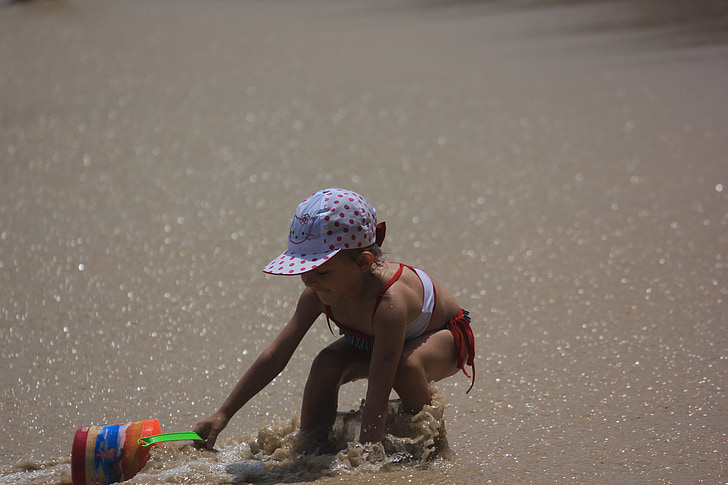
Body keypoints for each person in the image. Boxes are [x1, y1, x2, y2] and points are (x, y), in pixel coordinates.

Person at [193, 188, 475, 450]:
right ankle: (313, 445)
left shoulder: (390, 304)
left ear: (363, 263)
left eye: (321, 271)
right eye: (303, 268)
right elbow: (276, 356)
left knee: (405, 366)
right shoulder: (316, 292)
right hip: (379, 341)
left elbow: (377, 391)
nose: (308, 280)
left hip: (444, 338)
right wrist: (223, 414)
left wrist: (366, 462)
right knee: (326, 363)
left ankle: (431, 449)